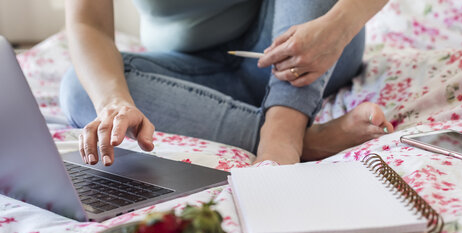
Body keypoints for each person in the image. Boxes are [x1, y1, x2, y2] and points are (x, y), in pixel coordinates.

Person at [60, 0, 393, 167]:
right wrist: (114, 101)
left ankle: (285, 129)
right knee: (82, 89)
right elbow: (88, 25)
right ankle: (308, 140)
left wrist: (339, 26)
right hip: (199, 77)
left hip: (303, 53)